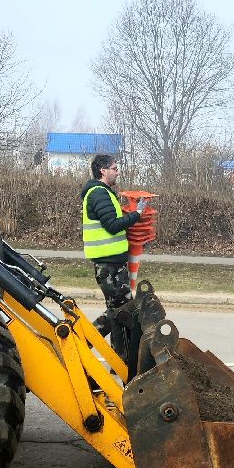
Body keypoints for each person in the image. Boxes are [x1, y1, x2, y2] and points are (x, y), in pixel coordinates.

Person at [80, 154, 147, 363]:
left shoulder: (105, 193)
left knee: (118, 312)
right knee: (122, 312)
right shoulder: (99, 194)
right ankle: (81, 342)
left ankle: (120, 360)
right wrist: (136, 214)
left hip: (113, 264)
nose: (118, 171)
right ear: (103, 170)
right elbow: (112, 225)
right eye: (115, 168)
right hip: (109, 267)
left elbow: (112, 222)